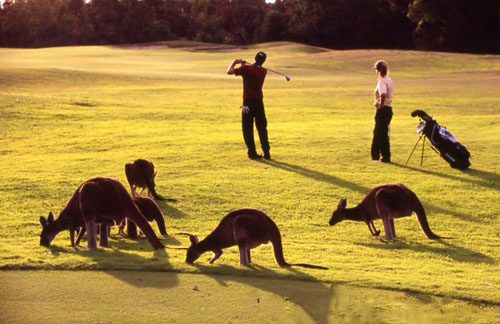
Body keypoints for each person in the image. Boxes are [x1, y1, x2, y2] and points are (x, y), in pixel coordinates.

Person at [227, 52, 271, 160]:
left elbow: (229, 72)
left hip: (248, 103)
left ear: (254, 58)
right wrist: (243, 66)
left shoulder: (247, 69)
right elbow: (246, 74)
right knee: (262, 127)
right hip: (259, 102)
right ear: (263, 61)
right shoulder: (263, 71)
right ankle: (266, 153)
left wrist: (236, 62)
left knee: (247, 128)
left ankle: (252, 153)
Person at [371, 60, 393, 163]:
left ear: (378, 70)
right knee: (381, 132)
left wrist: (380, 105)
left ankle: (382, 157)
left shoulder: (382, 81)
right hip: (388, 110)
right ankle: (379, 157)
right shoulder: (388, 79)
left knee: (380, 133)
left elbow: (383, 94)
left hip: (383, 111)